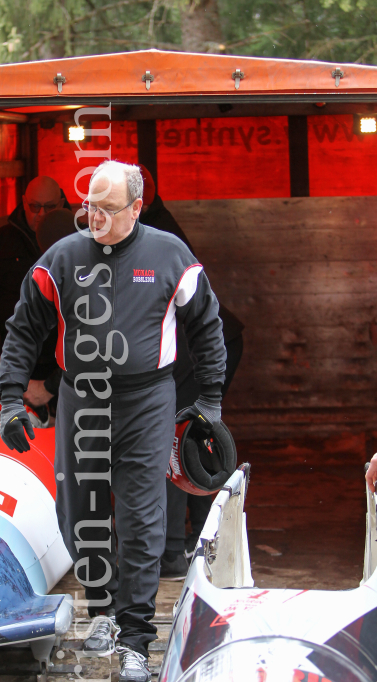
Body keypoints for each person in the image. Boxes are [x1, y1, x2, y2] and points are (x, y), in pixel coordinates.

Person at [0, 160, 226, 682]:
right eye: (87, 205)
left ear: (136, 208)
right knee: (78, 514)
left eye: (104, 207)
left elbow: (208, 326)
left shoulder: (170, 256)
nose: (91, 215)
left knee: (143, 521)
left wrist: (209, 401)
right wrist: (11, 400)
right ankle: (102, 607)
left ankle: (137, 641)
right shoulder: (62, 259)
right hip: (83, 399)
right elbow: (23, 327)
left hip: (147, 401)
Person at [138, 165, 245, 580]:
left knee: (178, 439)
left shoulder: (156, 233)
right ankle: (197, 540)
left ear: (138, 200)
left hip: (198, 346)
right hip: (191, 345)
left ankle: (176, 552)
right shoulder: (145, 228)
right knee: (188, 436)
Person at [0, 176, 69, 414]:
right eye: (34, 206)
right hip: (18, 358)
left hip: (64, 361)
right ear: (23, 202)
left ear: (62, 203)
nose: (41, 213)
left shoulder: (80, 243)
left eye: (50, 207)